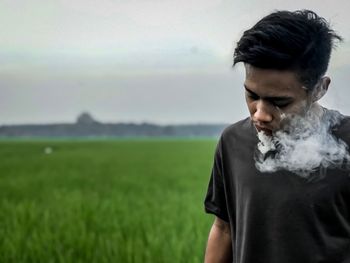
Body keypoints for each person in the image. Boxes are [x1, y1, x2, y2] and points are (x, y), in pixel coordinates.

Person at [203, 10, 350, 263]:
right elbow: (224, 228)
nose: (259, 115)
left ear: (319, 89)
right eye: (251, 95)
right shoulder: (232, 141)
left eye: (278, 102)